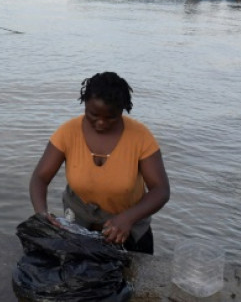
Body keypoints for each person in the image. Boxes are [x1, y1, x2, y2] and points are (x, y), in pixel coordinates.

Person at [28, 72, 170, 254]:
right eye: (93, 114)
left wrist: (127, 219)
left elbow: (161, 190)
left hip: (127, 229)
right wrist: (42, 214)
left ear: (122, 109)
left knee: (132, 278)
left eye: (111, 117)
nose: (101, 123)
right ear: (85, 104)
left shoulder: (140, 137)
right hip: (78, 226)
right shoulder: (68, 132)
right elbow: (40, 178)